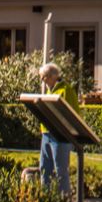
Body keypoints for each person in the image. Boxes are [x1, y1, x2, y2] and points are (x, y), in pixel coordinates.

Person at [36, 62, 78, 193]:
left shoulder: (66, 90)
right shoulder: (48, 91)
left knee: (60, 170)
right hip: (46, 134)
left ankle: (64, 201)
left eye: (45, 76)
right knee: (44, 168)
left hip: (60, 136)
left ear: (54, 76)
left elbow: (73, 113)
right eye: (41, 77)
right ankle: (46, 200)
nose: (43, 80)